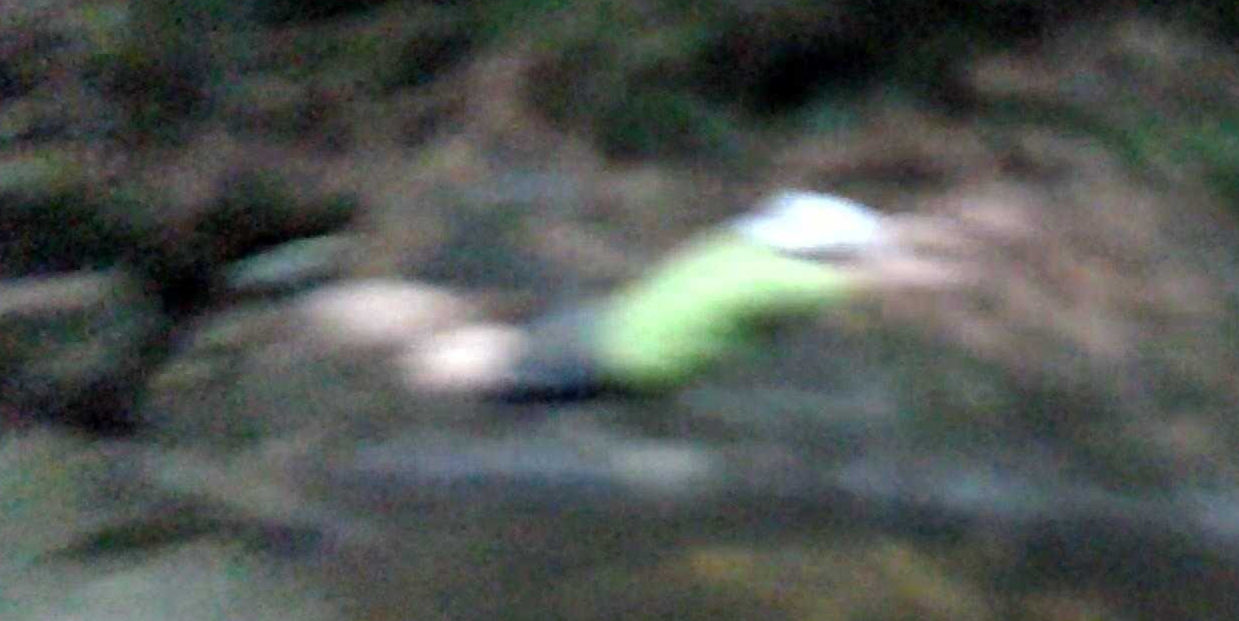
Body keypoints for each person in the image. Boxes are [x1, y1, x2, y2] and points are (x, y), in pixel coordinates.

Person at [394, 191, 962, 402]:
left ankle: (420, 350)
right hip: (619, 360)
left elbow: (874, 238)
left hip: (606, 322)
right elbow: (890, 278)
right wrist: (964, 271)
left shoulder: (739, 243)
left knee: (506, 349)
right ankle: (421, 368)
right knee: (497, 375)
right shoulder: (780, 281)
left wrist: (943, 236)